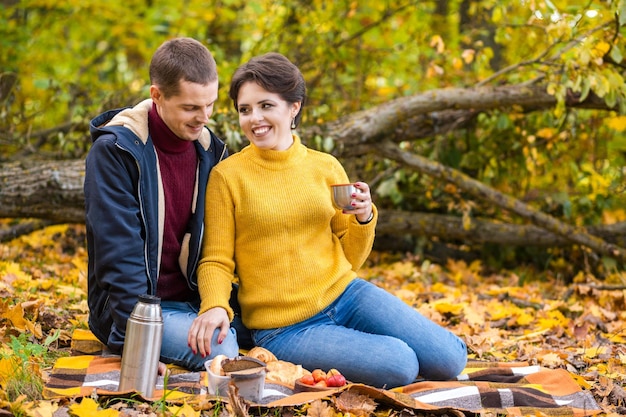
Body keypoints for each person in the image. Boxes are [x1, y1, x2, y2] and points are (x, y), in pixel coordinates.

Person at [188, 52, 467, 388]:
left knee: (450, 360)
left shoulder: (326, 167)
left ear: (293, 107)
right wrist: (215, 305)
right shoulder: (227, 177)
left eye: (266, 106)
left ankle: (361, 344)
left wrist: (364, 218)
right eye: (244, 110)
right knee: (401, 364)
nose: (254, 119)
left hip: (347, 294)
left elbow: (350, 257)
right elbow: (215, 260)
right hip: (286, 328)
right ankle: (361, 350)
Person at [85, 37, 250, 372]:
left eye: (210, 105)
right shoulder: (117, 153)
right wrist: (135, 344)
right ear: (156, 95)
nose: (203, 117)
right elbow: (118, 254)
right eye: (191, 108)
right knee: (222, 354)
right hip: (135, 311)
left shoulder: (212, 154)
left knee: (275, 327)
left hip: (196, 299)